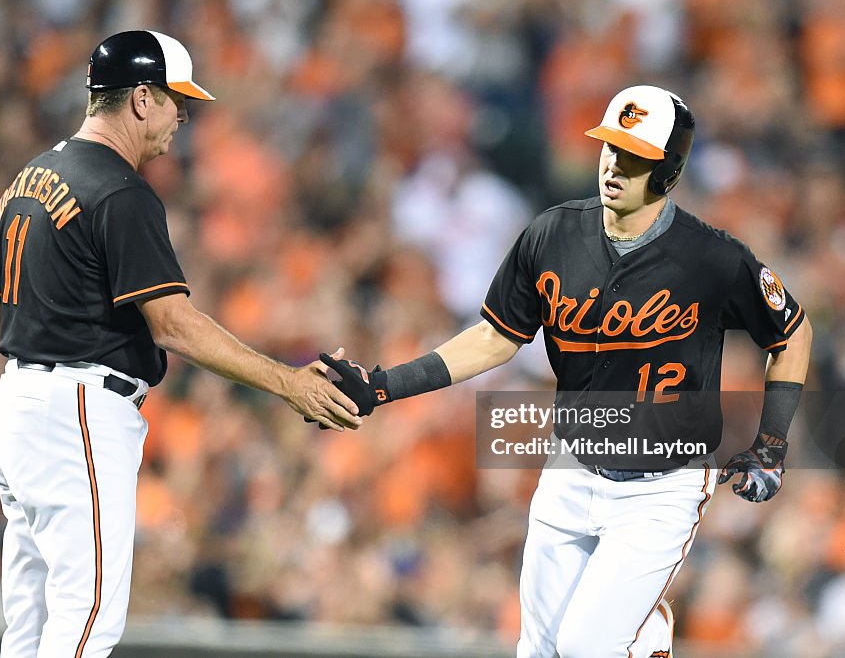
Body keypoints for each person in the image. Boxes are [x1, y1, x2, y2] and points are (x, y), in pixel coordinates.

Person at [321, 85, 812, 657]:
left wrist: (772, 442)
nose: (614, 165)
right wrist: (384, 384)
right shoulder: (552, 234)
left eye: (635, 157)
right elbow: (493, 338)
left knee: (586, 647)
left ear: (668, 172)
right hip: (571, 465)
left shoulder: (711, 258)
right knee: (539, 649)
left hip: (661, 486)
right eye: (610, 147)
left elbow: (792, 331)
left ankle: (649, 636)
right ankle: (643, 632)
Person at [0, 30, 361, 658]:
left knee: (32, 626)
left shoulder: (30, 177)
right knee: (88, 617)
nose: (184, 117)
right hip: (75, 414)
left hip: (15, 405)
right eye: (178, 101)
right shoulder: (120, 191)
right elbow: (173, 325)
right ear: (142, 98)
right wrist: (288, 382)